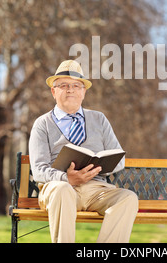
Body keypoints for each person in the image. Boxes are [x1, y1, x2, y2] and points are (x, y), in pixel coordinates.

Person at [29, 60, 138, 243]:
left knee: (128, 198)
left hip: (96, 189)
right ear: (53, 91)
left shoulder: (99, 119)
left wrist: (97, 168)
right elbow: (39, 169)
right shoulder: (42, 124)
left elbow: (119, 158)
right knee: (62, 189)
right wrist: (67, 178)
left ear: (83, 91)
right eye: (63, 85)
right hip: (58, 189)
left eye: (76, 85)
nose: (70, 89)